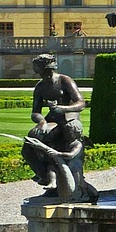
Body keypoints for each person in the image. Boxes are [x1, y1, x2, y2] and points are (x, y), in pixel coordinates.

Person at [22, 54, 98, 202]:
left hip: (69, 120)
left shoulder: (64, 80)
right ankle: (45, 176)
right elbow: (35, 112)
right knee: (28, 147)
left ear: (45, 67)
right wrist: (42, 122)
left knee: (56, 144)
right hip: (52, 121)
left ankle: (60, 182)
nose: (35, 69)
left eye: (37, 66)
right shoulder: (40, 86)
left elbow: (81, 103)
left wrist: (62, 108)